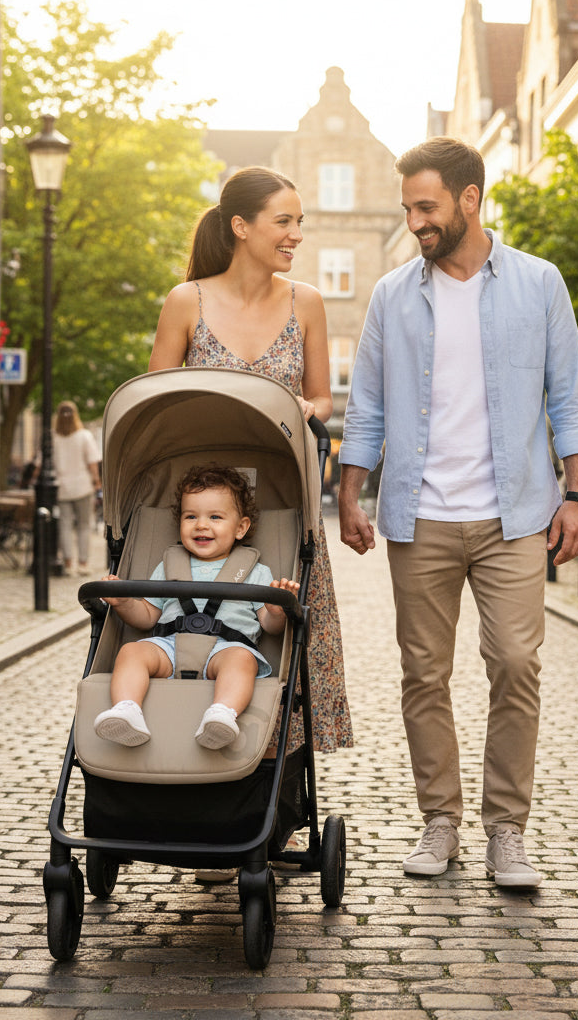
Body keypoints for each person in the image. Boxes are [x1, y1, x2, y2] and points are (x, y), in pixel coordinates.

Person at [337, 137, 578, 888]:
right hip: (419, 515)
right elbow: (368, 408)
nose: (415, 221)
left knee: (516, 664)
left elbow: (568, 399)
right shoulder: (392, 295)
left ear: (470, 199)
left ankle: (506, 829)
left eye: (426, 207)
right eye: (408, 208)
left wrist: (575, 496)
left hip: (515, 514)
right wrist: (351, 492)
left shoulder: (539, 284)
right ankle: (440, 821)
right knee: (424, 674)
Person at [148, 165, 353, 757]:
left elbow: (322, 399)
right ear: (240, 226)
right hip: (201, 501)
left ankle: (272, 795)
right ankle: (178, 765)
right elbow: (156, 402)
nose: (296, 235)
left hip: (282, 497)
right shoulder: (186, 300)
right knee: (178, 628)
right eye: (283, 222)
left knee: (278, 636)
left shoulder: (306, 302)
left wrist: (292, 403)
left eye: (300, 223)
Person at [93, 463, 299, 749]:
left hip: (225, 648)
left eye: (215, 517)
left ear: (240, 527)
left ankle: (222, 713)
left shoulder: (256, 571)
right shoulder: (169, 564)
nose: (201, 525)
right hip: (169, 646)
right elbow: (146, 616)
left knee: (242, 661)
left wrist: (277, 610)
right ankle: (127, 709)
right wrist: (124, 601)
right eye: (191, 516)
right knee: (132, 651)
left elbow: (269, 625)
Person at [51, 400, 101, 576]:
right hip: (82, 486)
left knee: (64, 525)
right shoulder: (84, 436)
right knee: (84, 525)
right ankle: (83, 563)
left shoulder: (53, 438)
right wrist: (97, 481)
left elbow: (44, 462)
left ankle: (68, 563)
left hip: (62, 487)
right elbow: (92, 462)